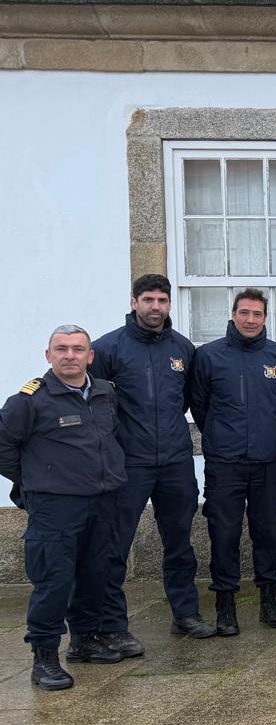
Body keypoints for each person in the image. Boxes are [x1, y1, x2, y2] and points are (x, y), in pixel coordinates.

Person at [90, 274, 214, 648]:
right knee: (115, 545)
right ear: (134, 302)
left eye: (161, 300)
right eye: (148, 300)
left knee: (179, 543)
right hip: (128, 463)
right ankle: (112, 625)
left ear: (169, 304)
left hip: (175, 461)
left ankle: (185, 615)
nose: (155, 307)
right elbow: (89, 403)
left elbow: (191, 400)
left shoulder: (183, 349)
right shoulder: (107, 348)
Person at [1, 325, 127, 689]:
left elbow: (110, 437)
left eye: (77, 349)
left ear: (90, 356)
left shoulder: (104, 392)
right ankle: (44, 658)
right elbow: (3, 446)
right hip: (55, 507)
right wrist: (34, 479)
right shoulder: (29, 400)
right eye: (61, 349)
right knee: (53, 581)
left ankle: (85, 641)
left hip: (102, 501)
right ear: (48, 355)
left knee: (94, 574)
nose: (69, 355)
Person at [190, 289, 276, 634]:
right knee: (224, 534)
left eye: (257, 314)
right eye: (244, 313)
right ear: (233, 314)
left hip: (267, 462)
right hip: (225, 463)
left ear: (265, 318)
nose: (250, 320)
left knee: (268, 532)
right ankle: (225, 606)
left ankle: (270, 601)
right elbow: (200, 407)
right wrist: (223, 436)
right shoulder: (208, 356)